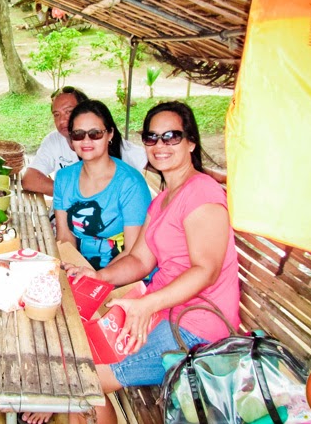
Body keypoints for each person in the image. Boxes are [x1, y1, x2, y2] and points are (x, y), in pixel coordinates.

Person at [60, 101, 241, 424]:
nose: (160, 145)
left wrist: (146, 306)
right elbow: (140, 260)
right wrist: (97, 278)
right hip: (162, 313)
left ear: (191, 142)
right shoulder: (162, 200)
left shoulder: (202, 193)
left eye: (171, 137)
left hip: (194, 328)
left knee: (81, 377)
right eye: (151, 137)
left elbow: (206, 270)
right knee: (72, 350)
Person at [53, 100, 152, 269]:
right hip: (80, 270)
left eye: (95, 133)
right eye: (78, 134)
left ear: (110, 134)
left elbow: (134, 252)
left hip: (123, 274)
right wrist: (75, 270)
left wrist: (97, 279)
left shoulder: (130, 184)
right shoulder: (64, 178)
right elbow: (64, 237)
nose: (86, 140)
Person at [22, 86, 148, 197]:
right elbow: (29, 179)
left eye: (69, 112)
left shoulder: (123, 157)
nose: (61, 121)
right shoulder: (56, 145)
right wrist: (75, 196)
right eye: (56, 115)